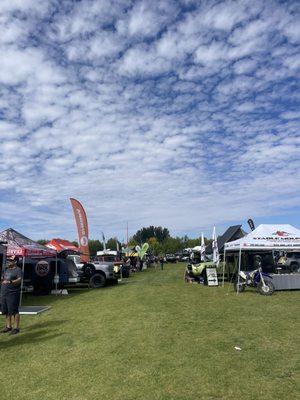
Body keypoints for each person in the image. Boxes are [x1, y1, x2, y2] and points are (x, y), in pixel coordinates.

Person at [1, 256, 23, 335]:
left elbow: (19, 280)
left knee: (14, 310)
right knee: (6, 310)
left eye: (10, 261)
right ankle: (8, 326)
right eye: (8, 260)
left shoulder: (18, 270)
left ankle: (16, 328)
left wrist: (10, 282)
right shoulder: (6, 270)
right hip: (4, 293)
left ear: (15, 262)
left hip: (13, 293)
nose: (8, 262)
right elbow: (3, 279)